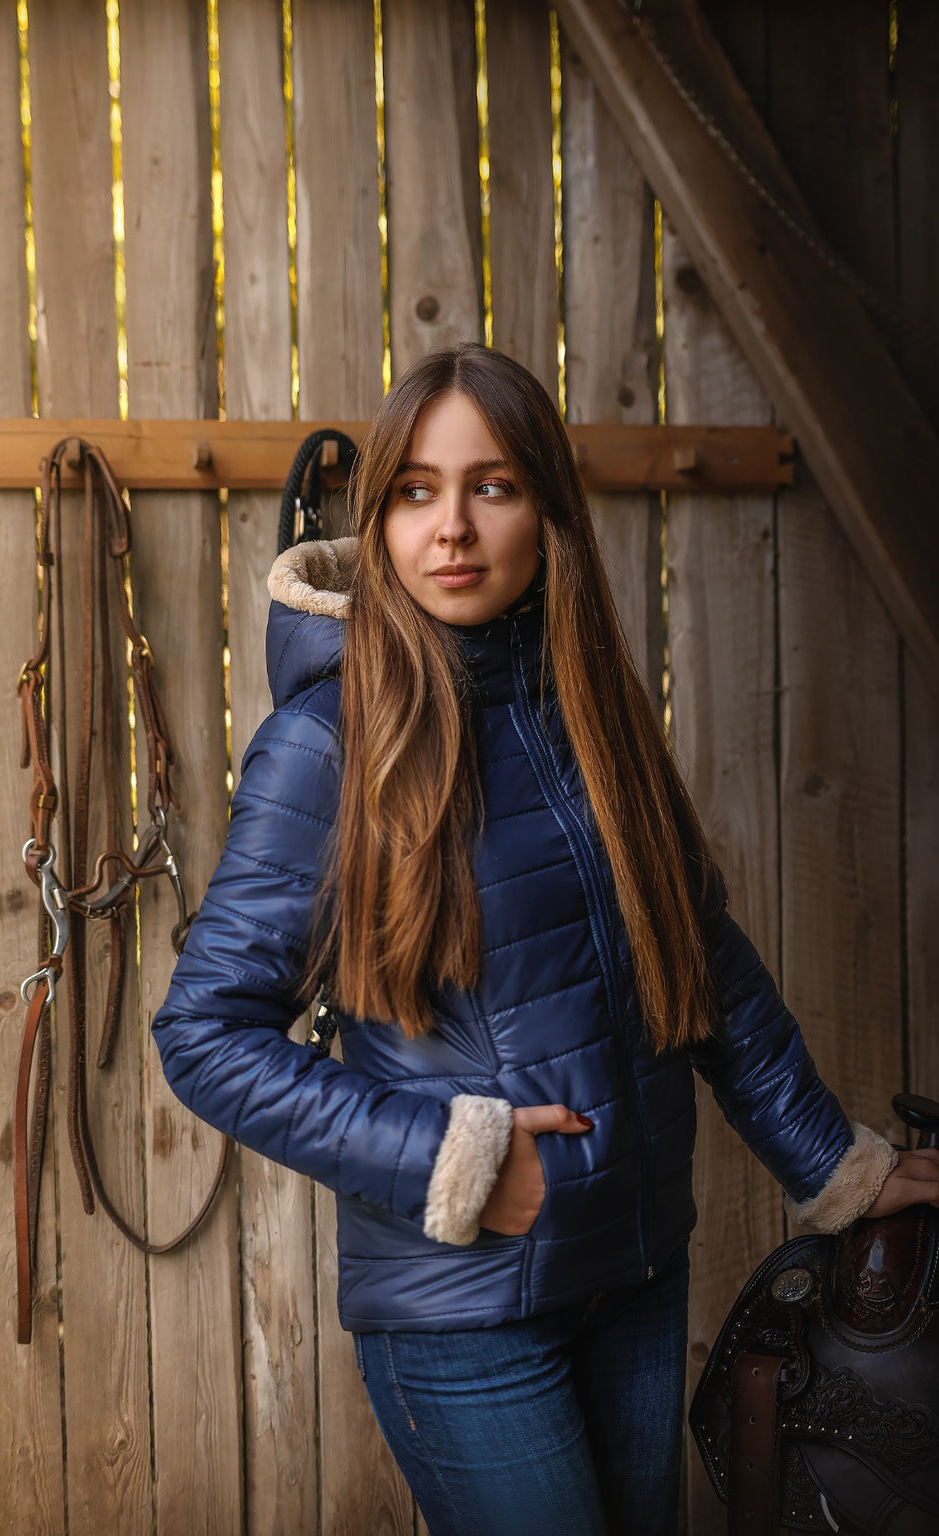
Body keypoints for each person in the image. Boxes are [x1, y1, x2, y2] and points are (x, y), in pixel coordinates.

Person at [152, 344, 939, 1536]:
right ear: (379, 522)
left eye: (493, 486)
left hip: (633, 1277)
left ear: (548, 514)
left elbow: (701, 961)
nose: (451, 528)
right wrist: (449, 1155)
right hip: (465, 1312)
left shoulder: (595, 711)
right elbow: (203, 1034)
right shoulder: (325, 745)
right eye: (414, 491)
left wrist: (838, 1167)